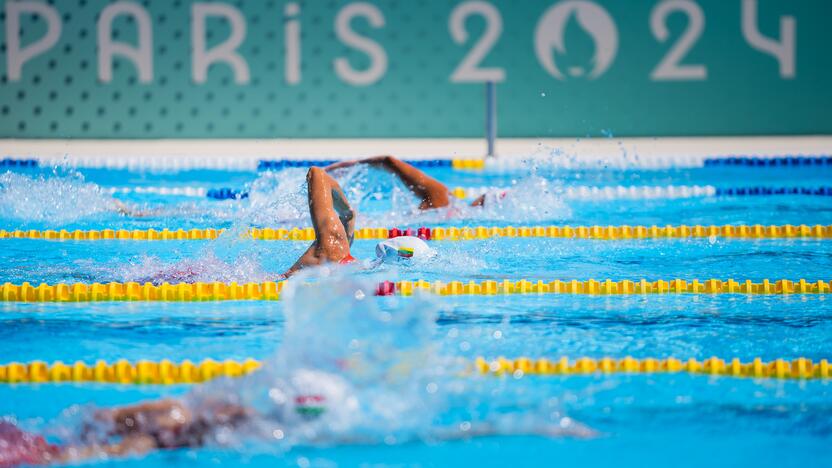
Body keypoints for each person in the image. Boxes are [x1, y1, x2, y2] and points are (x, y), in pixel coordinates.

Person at [324, 155, 489, 209]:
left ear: (481, 199)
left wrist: (354, 165)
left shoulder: (443, 199)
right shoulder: (447, 204)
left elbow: (389, 161)